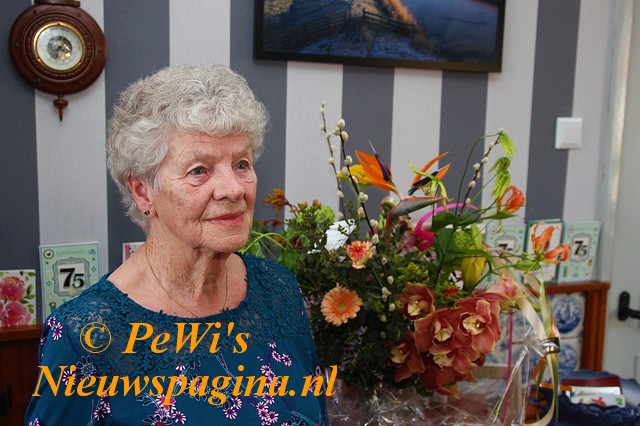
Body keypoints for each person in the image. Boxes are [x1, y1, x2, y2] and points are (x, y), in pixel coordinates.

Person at [25, 64, 328, 425]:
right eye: (199, 170)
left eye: (242, 164)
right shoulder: (85, 337)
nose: (233, 189)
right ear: (143, 191)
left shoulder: (279, 291)